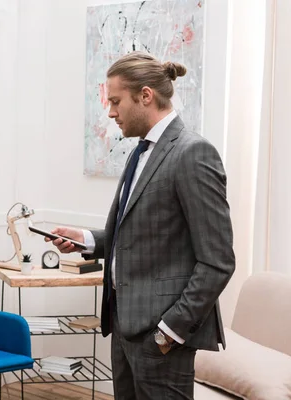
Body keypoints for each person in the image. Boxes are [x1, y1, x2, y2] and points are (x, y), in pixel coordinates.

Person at [45, 52, 235, 399]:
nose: (111, 111)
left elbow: (218, 261)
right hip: (124, 327)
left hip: (161, 338)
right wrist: (86, 239)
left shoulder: (193, 153)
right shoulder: (140, 151)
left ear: (145, 95)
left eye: (116, 101)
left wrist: (169, 331)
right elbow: (141, 236)